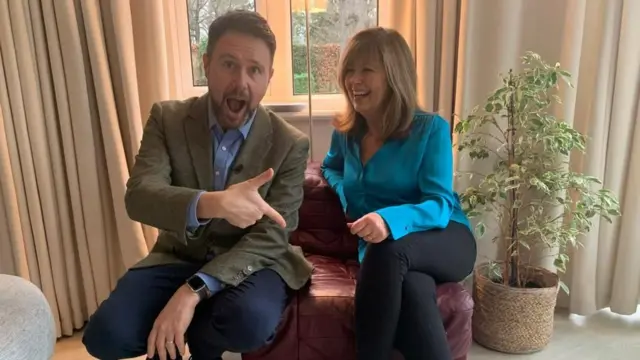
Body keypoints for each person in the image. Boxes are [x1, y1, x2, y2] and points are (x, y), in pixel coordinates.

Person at [82, 10, 313, 360]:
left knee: (246, 321)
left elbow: (273, 236)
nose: (241, 83)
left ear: (269, 78)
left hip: (252, 261)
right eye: (228, 64)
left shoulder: (290, 143)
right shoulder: (167, 118)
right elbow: (140, 197)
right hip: (179, 254)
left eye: (255, 70)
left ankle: (198, 338)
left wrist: (191, 292)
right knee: (105, 336)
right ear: (206, 64)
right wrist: (214, 203)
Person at [321, 27, 477, 360]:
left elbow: (438, 204)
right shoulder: (347, 134)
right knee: (414, 290)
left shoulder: (430, 129)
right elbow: (330, 168)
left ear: (393, 75)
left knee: (387, 251)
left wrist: (386, 219)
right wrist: (346, 196)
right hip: (390, 256)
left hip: (444, 236)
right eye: (349, 69)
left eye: (366, 70)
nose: (354, 80)